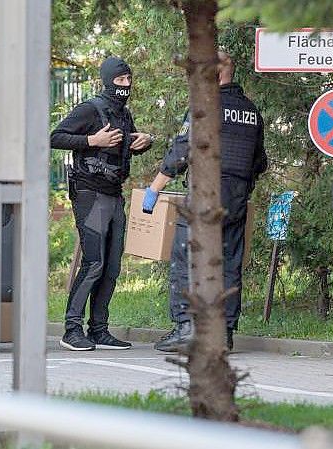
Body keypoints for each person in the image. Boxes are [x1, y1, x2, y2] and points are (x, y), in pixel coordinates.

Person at [142, 52, 266, 352]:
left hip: (205, 194)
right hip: (236, 200)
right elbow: (259, 162)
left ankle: (186, 326)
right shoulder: (251, 112)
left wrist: (154, 190)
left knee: (186, 257)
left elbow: (182, 152)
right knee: (229, 264)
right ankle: (224, 333)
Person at [51, 56, 153, 351]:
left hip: (113, 194)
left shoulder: (123, 115)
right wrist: (91, 142)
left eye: (129, 80)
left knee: (111, 266)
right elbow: (55, 137)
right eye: (120, 81)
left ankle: (99, 330)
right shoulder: (89, 109)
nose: (126, 86)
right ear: (108, 81)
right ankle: (72, 330)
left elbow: (123, 151)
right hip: (89, 194)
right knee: (94, 262)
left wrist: (145, 141)